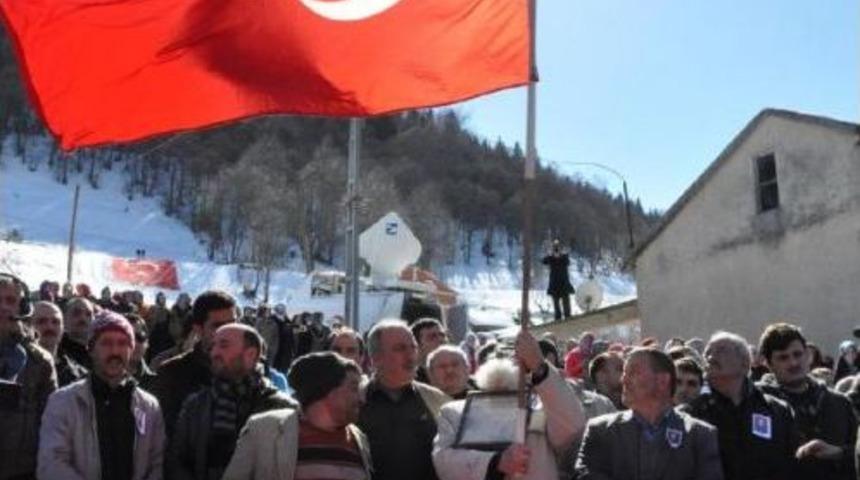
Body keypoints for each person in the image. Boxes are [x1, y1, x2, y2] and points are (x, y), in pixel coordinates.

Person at [433, 329, 585, 480]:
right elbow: (443, 460)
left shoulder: (540, 406)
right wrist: (497, 462)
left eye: (511, 359)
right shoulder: (455, 412)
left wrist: (540, 368)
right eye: (493, 358)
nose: (502, 363)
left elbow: (572, 428)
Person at [37, 310, 165, 480]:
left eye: (122, 343)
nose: (115, 351)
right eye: (106, 343)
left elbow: (156, 464)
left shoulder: (149, 406)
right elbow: (51, 465)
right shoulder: (63, 402)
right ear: (91, 349)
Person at [168, 324, 295, 480]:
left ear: (250, 354)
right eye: (213, 346)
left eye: (223, 345)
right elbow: (177, 461)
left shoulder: (282, 409)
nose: (214, 352)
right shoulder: (195, 405)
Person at [575, 347, 723, 480]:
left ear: (662, 381)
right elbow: (586, 475)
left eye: (633, 372)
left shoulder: (700, 435)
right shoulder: (600, 430)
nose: (623, 379)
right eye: (624, 372)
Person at [222, 352, 371, 479]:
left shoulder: (359, 440)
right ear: (327, 390)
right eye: (353, 388)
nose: (361, 399)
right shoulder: (264, 431)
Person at [684, 331, 798, 480]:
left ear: (744, 363)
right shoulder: (690, 414)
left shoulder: (777, 411)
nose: (710, 357)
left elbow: (791, 466)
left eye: (721, 350)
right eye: (707, 353)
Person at [758, 323, 858, 479]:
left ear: (808, 355)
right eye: (783, 357)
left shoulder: (838, 403)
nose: (793, 363)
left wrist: (839, 453)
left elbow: (856, 450)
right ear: (768, 363)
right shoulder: (759, 405)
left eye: (797, 354)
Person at [358, 319, 449, 480]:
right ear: (376, 358)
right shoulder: (356, 401)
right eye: (400, 349)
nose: (410, 356)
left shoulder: (438, 401)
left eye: (413, 347)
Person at [149, 290, 237, 438]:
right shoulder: (172, 374)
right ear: (198, 329)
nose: (228, 333)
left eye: (233, 325)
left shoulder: (248, 372)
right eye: (218, 326)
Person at [0, 274, 57, 480]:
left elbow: (51, 424)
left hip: (20, 471)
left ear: (22, 307)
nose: (3, 307)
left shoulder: (39, 361)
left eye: (10, 301)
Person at [31, 301, 88, 387]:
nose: (50, 327)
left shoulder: (79, 376)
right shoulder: (16, 368)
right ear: (28, 326)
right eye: (41, 321)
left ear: (63, 328)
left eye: (55, 322)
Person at [541, 240, 575, 321]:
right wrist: (550, 255)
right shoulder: (551, 258)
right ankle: (558, 319)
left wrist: (561, 255)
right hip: (555, 285)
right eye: (555, 249)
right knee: (556, 306)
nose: (556, 251)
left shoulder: (564, 258)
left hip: (563, 284)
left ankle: (568, 317)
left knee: (566, 305)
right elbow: (543, 261)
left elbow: (567, 262)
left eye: (557, 249)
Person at [59, 296, 95, 369]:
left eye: (88, 314)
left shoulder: (100, 352)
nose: (83, 318)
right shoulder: (57, 352)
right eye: (76, 313)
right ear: (64, 319)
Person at [411, 317, 448, 383]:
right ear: (416, 344)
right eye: (432, 337)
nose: (441, 340)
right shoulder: (409, 377)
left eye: (442, 335)